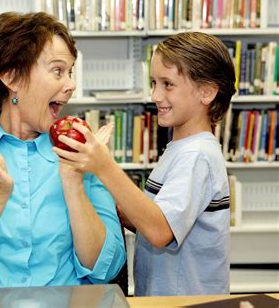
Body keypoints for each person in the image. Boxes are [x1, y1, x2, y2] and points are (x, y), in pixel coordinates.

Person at [0, 11, 126, 289]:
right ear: (12, 77)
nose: (71, 85)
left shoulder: (85, 152)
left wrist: (74, 183)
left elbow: (106, 267)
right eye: (57, 71)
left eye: (70, 72)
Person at [53, 32, 236, 296]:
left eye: (167, 84)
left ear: (206, 92)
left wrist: (104, 167)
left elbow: (160, 230)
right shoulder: (179, 149)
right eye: (153, 83)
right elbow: (149, 219)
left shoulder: (198, 155)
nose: (155, 95)